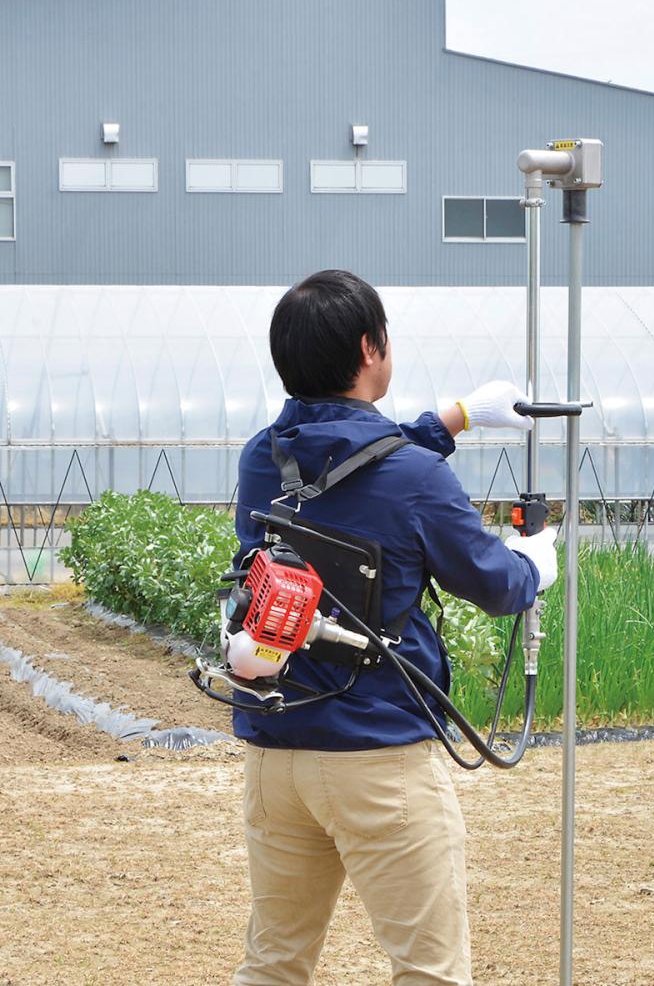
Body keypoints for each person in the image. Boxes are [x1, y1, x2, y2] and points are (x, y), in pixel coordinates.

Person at [232, 269, 557, 986]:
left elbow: (353, 460)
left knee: (274, 964)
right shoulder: (415, 478)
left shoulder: (264, 459)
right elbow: (494, 585)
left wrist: (455, 419)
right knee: (428, 971)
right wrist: (536, 565)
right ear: (371, 347)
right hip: (377, 760)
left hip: (276, 753)